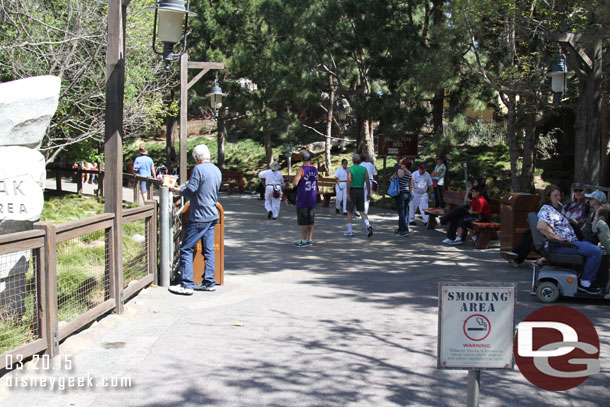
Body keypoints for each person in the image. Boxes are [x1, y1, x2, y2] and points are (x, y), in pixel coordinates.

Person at [168, 144, 222, 295]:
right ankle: (209, 282)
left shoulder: (198, 169)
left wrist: (177, 190)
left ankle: (187, 285)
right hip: (212, 214)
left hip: (200, 215)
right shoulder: (216, 169)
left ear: (196, 158)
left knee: (186, 248)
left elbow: (191, 189)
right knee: (208, 250)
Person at [536, 184, 603, 293]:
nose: (558, 198)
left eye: (559, 195)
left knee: (591, 245)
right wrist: (558, 238)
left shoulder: (556, 210)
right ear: (548, 197)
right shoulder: (546, 209)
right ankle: (586, 282)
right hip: (560, 246)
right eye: (555, 196)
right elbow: (541, 226)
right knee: (596, 251)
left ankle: (584, 275)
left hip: (568, 243)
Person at [292, 151, 318, 247]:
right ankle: (309, 239)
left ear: (302, 160)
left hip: (303, 197)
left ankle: (303, 240)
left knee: (303, 220)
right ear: (310, 160)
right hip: (312, 197)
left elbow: (295, 183)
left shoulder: (301, 170)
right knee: (310, 219)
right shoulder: (315, 169)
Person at [345, 153, 373, 237]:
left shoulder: (350, 169)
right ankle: (368, 225)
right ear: (359, 160)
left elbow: (349, 180)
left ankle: (350, 230)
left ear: (353, 160)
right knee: (361, 211)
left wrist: (347, 193)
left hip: (352, 190)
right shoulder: (364, 169)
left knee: (350, 211)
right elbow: (367, 181)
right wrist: (368, 192)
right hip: (361, 191)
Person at [390, 158, 411, 236]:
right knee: (404, 212)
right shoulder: (410, 173)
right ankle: (400, 228)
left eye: (402, 164)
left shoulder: (400, 171)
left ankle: (405, 230)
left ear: (404, 165)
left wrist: (397, 168)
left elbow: (392, 178)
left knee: (401, 212)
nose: (400, 165)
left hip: (400, 194)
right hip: (407, 193)